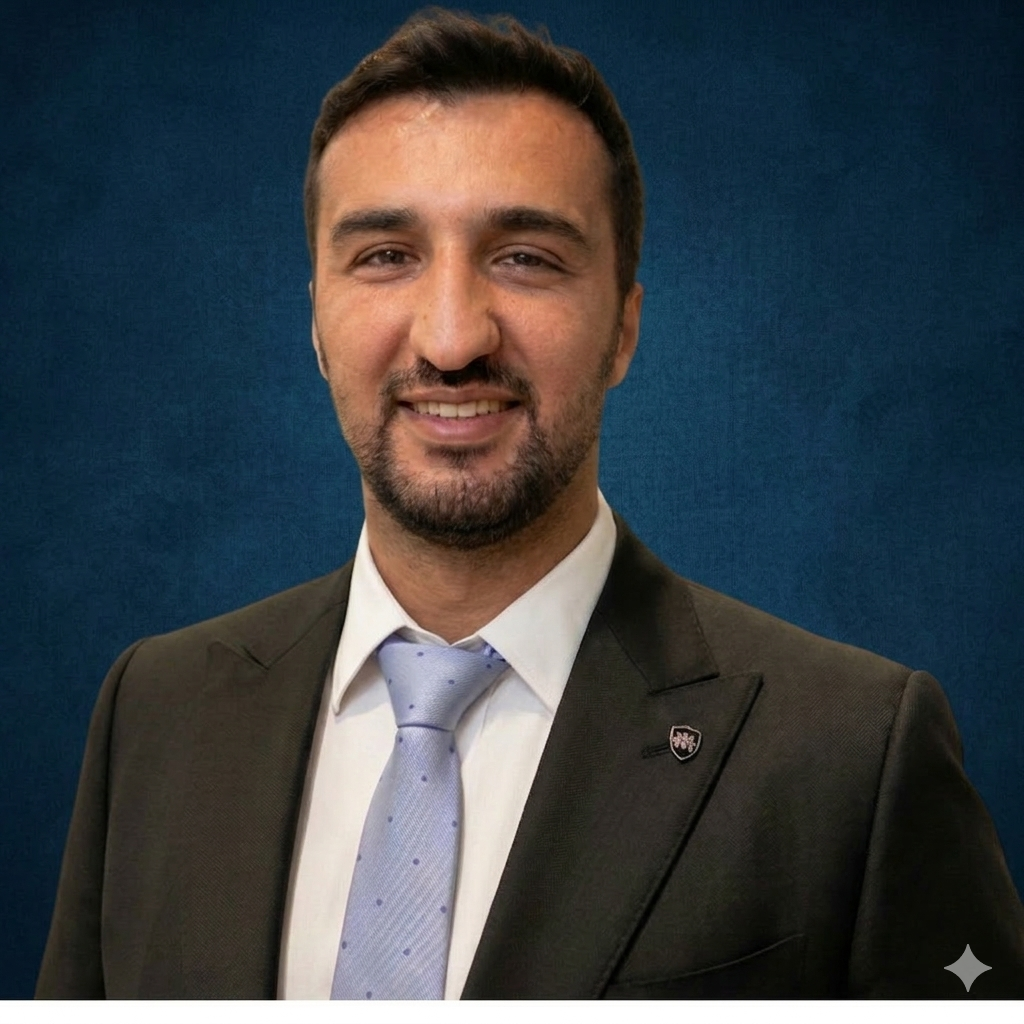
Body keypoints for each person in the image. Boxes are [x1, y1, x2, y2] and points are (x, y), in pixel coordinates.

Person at [36, 9, 1024, 1000]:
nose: (452, 337)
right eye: (386, 255)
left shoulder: (853, 753)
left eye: (525, 257)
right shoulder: (154, 713)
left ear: (623, 328)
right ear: (318, 326)